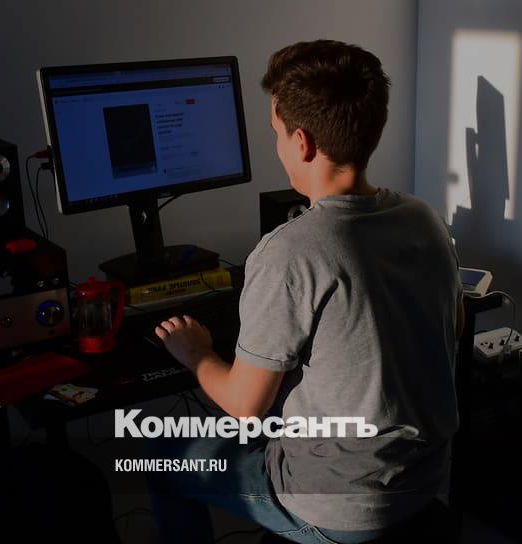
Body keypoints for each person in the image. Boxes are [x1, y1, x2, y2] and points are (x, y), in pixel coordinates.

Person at [146, 39, 464, 544]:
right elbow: (447, 330)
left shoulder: (290, 251)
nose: (276, 147)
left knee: (161, 457)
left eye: (276, 133)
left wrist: (197, 353)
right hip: (423, 480)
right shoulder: (424, 220)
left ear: (303, 143)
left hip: (339, 502)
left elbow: (245, 409)